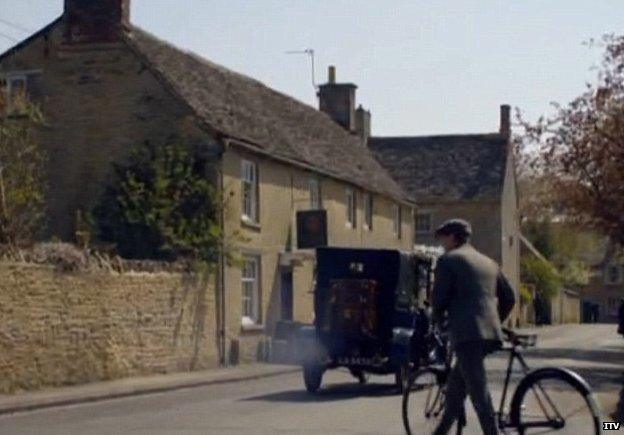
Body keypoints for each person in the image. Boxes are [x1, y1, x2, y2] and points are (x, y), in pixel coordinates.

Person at [431, 219, 516, 435]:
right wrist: (495, 320)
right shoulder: (488, 262)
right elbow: (509, 298)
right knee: (456, 390)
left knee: (479, 394)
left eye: (443, 238)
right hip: (489, 334)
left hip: (467, 334)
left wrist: (438, 321)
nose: (442, 243)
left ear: (452, 237)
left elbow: (439, 300)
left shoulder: (448, 260)